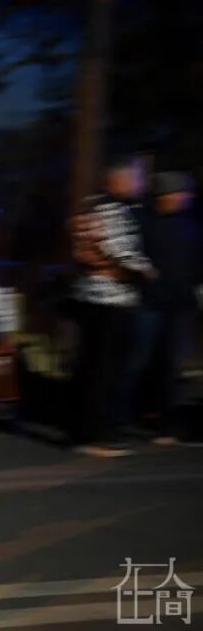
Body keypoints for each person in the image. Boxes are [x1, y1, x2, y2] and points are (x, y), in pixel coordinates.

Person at [69, 154, 157, 456]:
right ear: (117, 180)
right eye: (134, 177)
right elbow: (119, 251)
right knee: (105, 369)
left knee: (94, 365)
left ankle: (87, 432)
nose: (138, 183)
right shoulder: (111, 210)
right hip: (110, 299)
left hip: (93, 297)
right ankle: (96, 435)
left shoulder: (92, 206)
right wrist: (145, 270)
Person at [138, 172, 200, 443]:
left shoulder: (190, 226)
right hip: (149, 302)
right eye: (180, 193)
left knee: (171, 364)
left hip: (179, 303)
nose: (185, 198)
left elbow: (196, 263)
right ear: (165, 196)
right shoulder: (145, 223)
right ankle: (134, 414)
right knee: (140, 359)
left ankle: (166, 423)